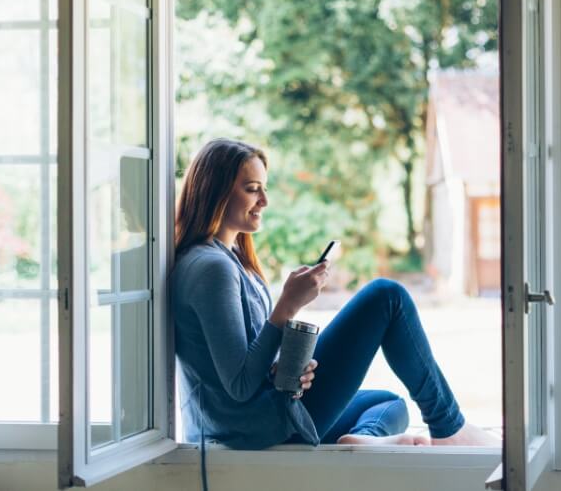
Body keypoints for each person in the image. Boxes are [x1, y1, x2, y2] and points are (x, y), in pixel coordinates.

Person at [171, 138, 493, 450]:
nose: (264, 201)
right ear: (214, 191)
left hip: (255, 418)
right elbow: (240, 386)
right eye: (253, 189)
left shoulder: (223, 260)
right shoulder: (212, 269)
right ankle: (449, 427)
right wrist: (287, 305)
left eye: (264, 189)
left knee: (388, 403)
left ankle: (360, 440)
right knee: (386, 297)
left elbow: (239, 364)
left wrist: (283, 367)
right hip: (257, 428)